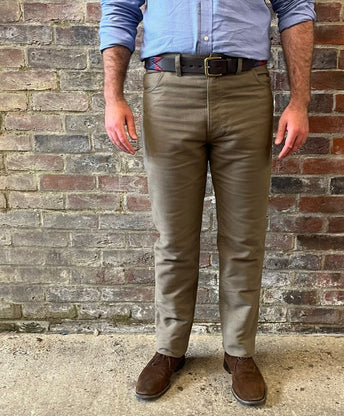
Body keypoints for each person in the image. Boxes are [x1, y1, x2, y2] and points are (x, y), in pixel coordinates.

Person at [99, 0, 315, 407]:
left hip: (246, 91)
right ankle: (170, 348)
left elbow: (296, 8)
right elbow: (119, 10)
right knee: (173, 237)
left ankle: (239, 351)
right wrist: (113, 97)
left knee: (244, 236)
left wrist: (299, 101)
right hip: (167, 90)